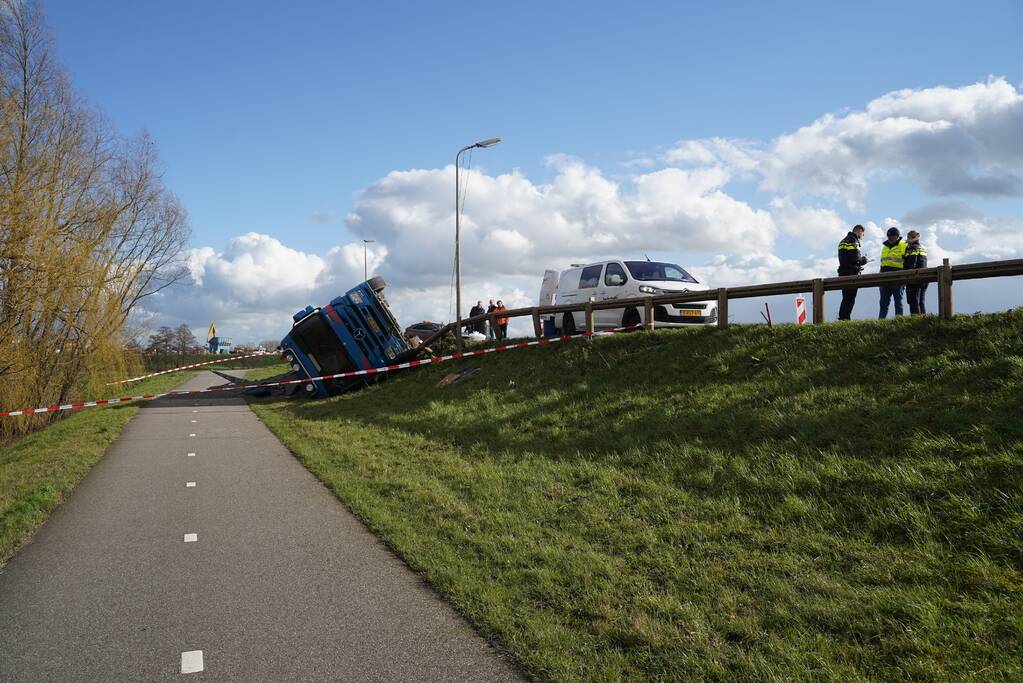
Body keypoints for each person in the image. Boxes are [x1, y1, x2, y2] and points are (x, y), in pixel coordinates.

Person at [837, 224, 868, 320]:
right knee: (850, 297)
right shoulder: (854, 241)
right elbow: (855, 259)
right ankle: (845, 318)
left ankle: (842, 317)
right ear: (859, 231)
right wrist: (863, 260)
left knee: (845, 297)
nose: (862, 236)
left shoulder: (842, 241)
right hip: (852, 273)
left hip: (842, 273)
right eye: (863, 233)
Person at [879, 227, 907, 319]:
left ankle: (899, 320)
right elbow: (882, 263)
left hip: (898, 277)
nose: (890, 238)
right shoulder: (884, 247)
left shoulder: (903, 245)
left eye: (892, 236)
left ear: (897, 236)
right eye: (888, 236)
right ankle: (881, 321)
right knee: (883, 302)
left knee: (898, 301)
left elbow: (907, 261)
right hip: (884, 277)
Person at [903, 230, 928, 315]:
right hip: (924, 277)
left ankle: (915, 319)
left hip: (914, 278)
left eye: (908, 237)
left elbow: (911, 265)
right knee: (921, 301)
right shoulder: (922, 248)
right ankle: (923, 320)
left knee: (913, 300)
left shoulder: (912, 248)